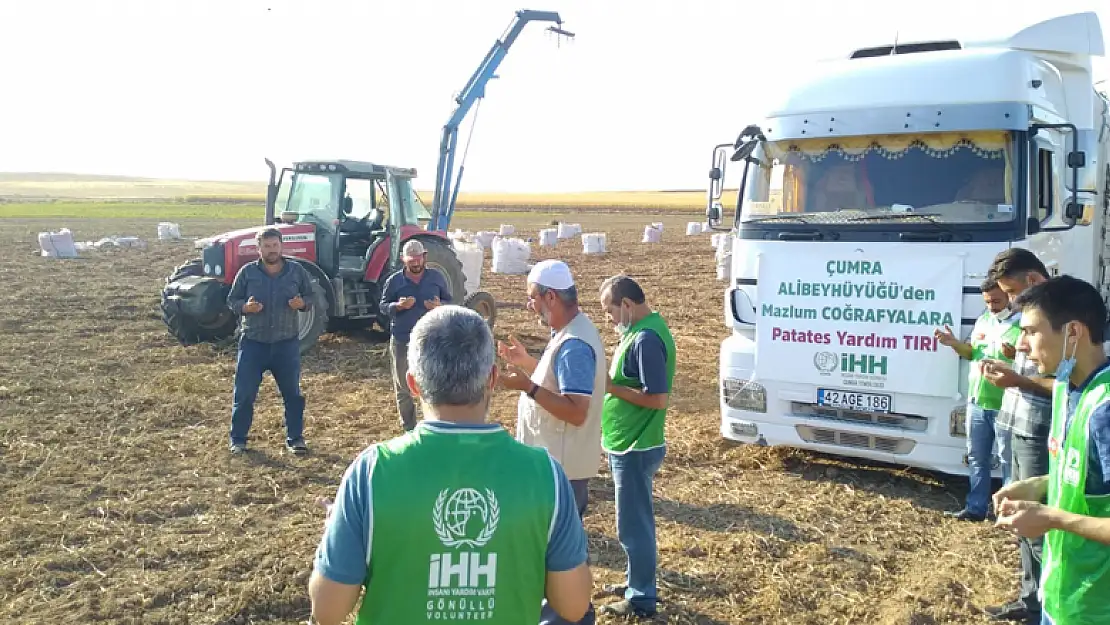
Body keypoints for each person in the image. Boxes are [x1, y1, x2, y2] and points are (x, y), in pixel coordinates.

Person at [308, 306, 593, 625]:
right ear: (493, 379)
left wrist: (335, 530)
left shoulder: (371, 473)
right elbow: (574, 606)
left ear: (412, 384)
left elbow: (328, 611)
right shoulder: (545, 474)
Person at [992, 275, 1110, 625]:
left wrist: (1052, 518)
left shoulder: (1105, 409)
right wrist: (1041, 483)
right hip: (1061, 596)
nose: (1022, 345)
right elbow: (1087, 475)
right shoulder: (1065, 386)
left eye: (1031, 331)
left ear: (1073, 332)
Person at [498, 259, 605, 625]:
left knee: (559, 553)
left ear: (551, 296)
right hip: (559, 464)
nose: (530, 306)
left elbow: (576, 411)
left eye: (532, 298)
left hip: (561, 469)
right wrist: (528, 363)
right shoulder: (571, 333)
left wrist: (526, 386)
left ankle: (567, 616)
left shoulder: (574, 345)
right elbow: (560, 382)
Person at [975, 248, 1054, 624]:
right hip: (1018, 426)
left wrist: (1017, 378)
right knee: (1023, 524)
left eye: (1011, 291)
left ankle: (1047, 605)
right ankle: (1030, 600)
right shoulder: (1030, 315)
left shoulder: (1061, 315)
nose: (1008, 300)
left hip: (1042, 433)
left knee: (1039, 526)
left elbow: (1067, 384)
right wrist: (1011, 369)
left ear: (1033, 281)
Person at [595, 275, 676, 619]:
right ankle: (634, 579)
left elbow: (657, 398)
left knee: (634, 524)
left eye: (610, 310)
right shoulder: (642, 331)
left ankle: (641, 597)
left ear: (626, 305)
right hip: (627, 441)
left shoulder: (645, 339)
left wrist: (611, 389)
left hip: (636, 445)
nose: (609, 318)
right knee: (632, 520)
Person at [935, 277, 1020, 522]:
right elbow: (971, 352)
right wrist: (953, 344)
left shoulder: (1022, 324)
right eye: (987, 301)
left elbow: (1032, 363)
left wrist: (1013, 354)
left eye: (996, 300)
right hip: (978, 402)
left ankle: (1008, 514)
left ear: (1008, 296)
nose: (992, 305)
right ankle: (976, 509)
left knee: (1007, 461)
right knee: (976, 457)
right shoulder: (984, 320)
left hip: (1006, 403)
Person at [224, 227, 315, 455]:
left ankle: (295, 439)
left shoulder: (296, 271)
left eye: (275, 245)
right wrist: (245, 308)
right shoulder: (247, 273)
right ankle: (238, 440)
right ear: (259, 248)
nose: (271, 250)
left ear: (282, 246)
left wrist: (301, 304)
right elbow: (231, 300)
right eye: (266, 246)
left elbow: (311, 297)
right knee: (244, 394)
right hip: (254, 343)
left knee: (292, 394)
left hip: (286, 344)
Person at [379, 239, 452, 432]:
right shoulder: (393, 281)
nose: (415, 263)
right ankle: (409, 428)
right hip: (403, 339)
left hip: (432, 339)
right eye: (411, 260)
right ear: (403, 259)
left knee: (434, 381)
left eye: (418, 259)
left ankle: (435, 423)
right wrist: (398, 306)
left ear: (424, 257)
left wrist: (440, 306)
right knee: (403, 385)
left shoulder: (436, 277)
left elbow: (450, 301)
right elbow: (383, 306)